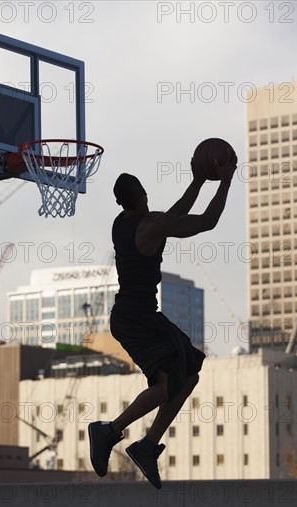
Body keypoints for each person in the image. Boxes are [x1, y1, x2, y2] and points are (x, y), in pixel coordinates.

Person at [88, 153, 237, 489]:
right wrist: (225, 180)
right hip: (134, 319)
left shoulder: (123, 223)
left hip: (143, 317)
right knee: (168, 384)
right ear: (142, 194)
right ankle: (108, 431)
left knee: (189, 376)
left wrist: (198, 181)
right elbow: (206, 221)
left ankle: (147, 445)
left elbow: (172, 216)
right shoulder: (150, 225)